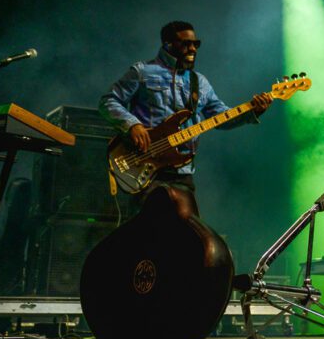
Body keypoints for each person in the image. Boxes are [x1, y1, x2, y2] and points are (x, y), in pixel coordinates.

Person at [99, 21, 273, 209]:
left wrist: (252, 111)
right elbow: (108, 101)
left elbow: (221, 117)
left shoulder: (200, 82)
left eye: (195, 44)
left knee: (186, 233)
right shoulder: (142, 72)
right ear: (168, 45)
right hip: (143, 167)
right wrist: (132, 124)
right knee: (147, 233)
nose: (193, 49)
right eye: (186, 44)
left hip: (182, 172)